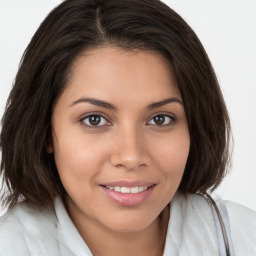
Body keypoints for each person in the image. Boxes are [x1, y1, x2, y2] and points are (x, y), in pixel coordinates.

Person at [0, 0, 255, 255]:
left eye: (160, 119)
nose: (131, 156)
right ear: (44, 131)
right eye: (94, 120)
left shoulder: (245, 237)